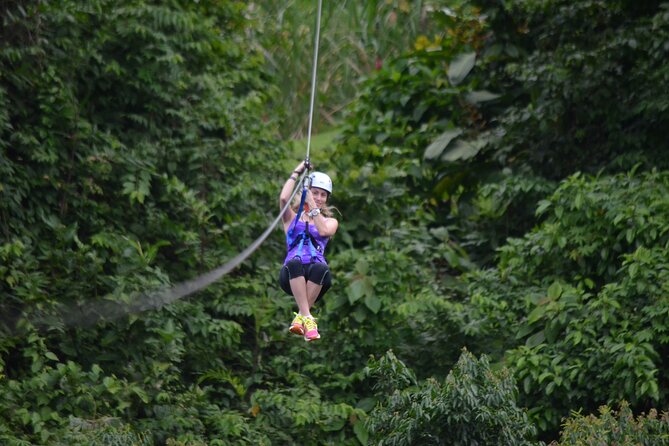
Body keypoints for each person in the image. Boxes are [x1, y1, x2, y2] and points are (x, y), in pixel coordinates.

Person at [278, 161, 338, 342]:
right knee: (294, 263)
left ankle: (301, 317)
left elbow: (323, 232)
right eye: (315, 193)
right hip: (291, 273)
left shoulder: (330, 221)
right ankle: (308, 318)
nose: (318, 197)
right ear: (307, 191)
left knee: (321, 267)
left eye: (323, 195)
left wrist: (312, 206)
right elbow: (283, 199)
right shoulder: (291, 219)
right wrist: (298, 171)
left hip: (316, 276)